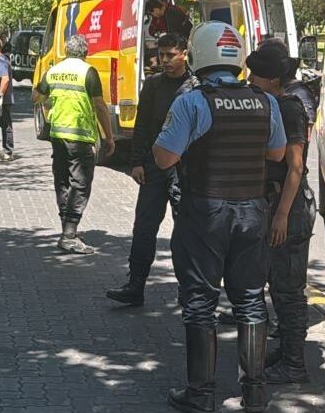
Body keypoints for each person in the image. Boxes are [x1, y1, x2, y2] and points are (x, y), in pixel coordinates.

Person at [154, 22, 286, 413]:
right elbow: (277, 154)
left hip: (205, 213)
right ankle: (255, 392)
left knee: (200, 302)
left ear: (198, 56)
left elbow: (164, 157)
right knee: (250, 300)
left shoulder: (193, 101)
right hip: (252, 213)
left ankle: (201, 394)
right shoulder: (265, 101)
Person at [106, 34, 195, 305]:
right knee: (144, 228)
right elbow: (142, 126)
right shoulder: (154, 85)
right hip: (154, 168)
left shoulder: (195, 87)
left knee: (187, 232)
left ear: (185, 54)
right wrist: (136, 162)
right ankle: (136, 285)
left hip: (184, 170)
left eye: (171, 55)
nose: (165, 60)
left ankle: (189, 288)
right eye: (162, 55)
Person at [246, 43, 316, 384]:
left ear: (274, 78)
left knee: (289, 290)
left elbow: (295, 168)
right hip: (274, 205)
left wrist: (282, 215)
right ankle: (286, 351)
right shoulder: (270, 102)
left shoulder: (289, 108)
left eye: (255, 74)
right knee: (278, 286)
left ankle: (295, 363)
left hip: (288, 208)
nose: (249, 79)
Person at [32, 34, 115, 254]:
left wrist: (52, 102)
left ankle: (67, 229)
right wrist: (108, 136)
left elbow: (36, 97)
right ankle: (69, 235)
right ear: (85, 52)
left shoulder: (54, 71)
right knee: (80, 183)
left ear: (67, 51)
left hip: (58, 135)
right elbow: (99, 106)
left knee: (62, 180)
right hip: (81, 136)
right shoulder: (88, 72)